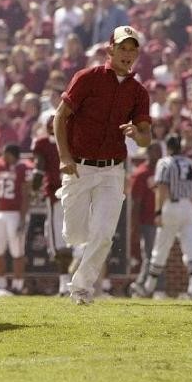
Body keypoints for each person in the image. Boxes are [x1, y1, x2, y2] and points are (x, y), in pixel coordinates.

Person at [54, 25, 151, 305]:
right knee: (75, 234)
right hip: (79, 167)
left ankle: (81, 287)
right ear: (110, 49)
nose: (128, 54)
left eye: (133, 50)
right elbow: (60, 117)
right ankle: (79, 248)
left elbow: (146, 138)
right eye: (123, 48)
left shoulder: (138, 92)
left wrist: (138, 134)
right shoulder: (87, 78)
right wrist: (64, 157)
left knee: (104, 234)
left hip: (112, 169)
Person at [131, 135, 192, 300]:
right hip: (188, 206)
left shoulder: (164, 162)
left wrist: (158, 211)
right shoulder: (190, 163)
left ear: (168, 148)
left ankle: (149, 286)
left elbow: (162, 187)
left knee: (161, 246)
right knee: (191, 246)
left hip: (171, 205)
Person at [32, 116, 73, 295]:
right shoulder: (74, 140)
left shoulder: (44, 144)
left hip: (57, 196)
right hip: (78, 194)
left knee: (59, 243)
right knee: (78, 239)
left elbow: (39, 171)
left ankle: (65, 284)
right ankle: (75, 282)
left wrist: (34, 187)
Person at [0, 144, 31, 295]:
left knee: (17, 252)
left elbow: (26, 194)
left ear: (12, 155)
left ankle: (18, 285)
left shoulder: (23, 168)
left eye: (6, 154)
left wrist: (23, 217)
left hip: (15, 213)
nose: (3, 157)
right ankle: (0, 283)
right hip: (0, 212)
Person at [129, 144, 166, 298]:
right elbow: (135, 202)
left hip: (164, 220)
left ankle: (141, 285)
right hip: (148, 221)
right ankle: (156, 289)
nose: (156, 154)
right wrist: (134, 226)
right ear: (148, 153)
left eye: (158, 150)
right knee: (153, 256)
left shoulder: (165, 169)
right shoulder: (141, 173)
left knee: (156, 255)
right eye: (152, 150)